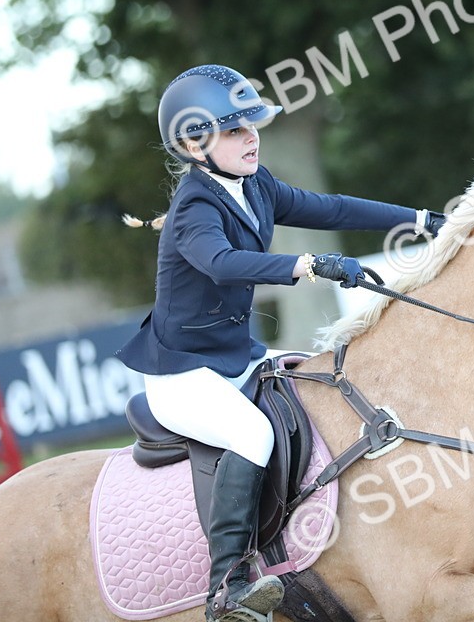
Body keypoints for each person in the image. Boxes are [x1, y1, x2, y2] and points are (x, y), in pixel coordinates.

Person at [116, 64, 444, 622]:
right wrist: (309, 265)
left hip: (233, 358)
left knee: (322, 385)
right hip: (182, 375)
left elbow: (333, 208)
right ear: (195, 144)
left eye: (253, 126)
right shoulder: (195, 208)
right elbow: (221, 264)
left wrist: (420, 218)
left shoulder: (256, 185)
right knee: (252, 432)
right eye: (236, 130)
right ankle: (228, 586)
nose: (253, 137)